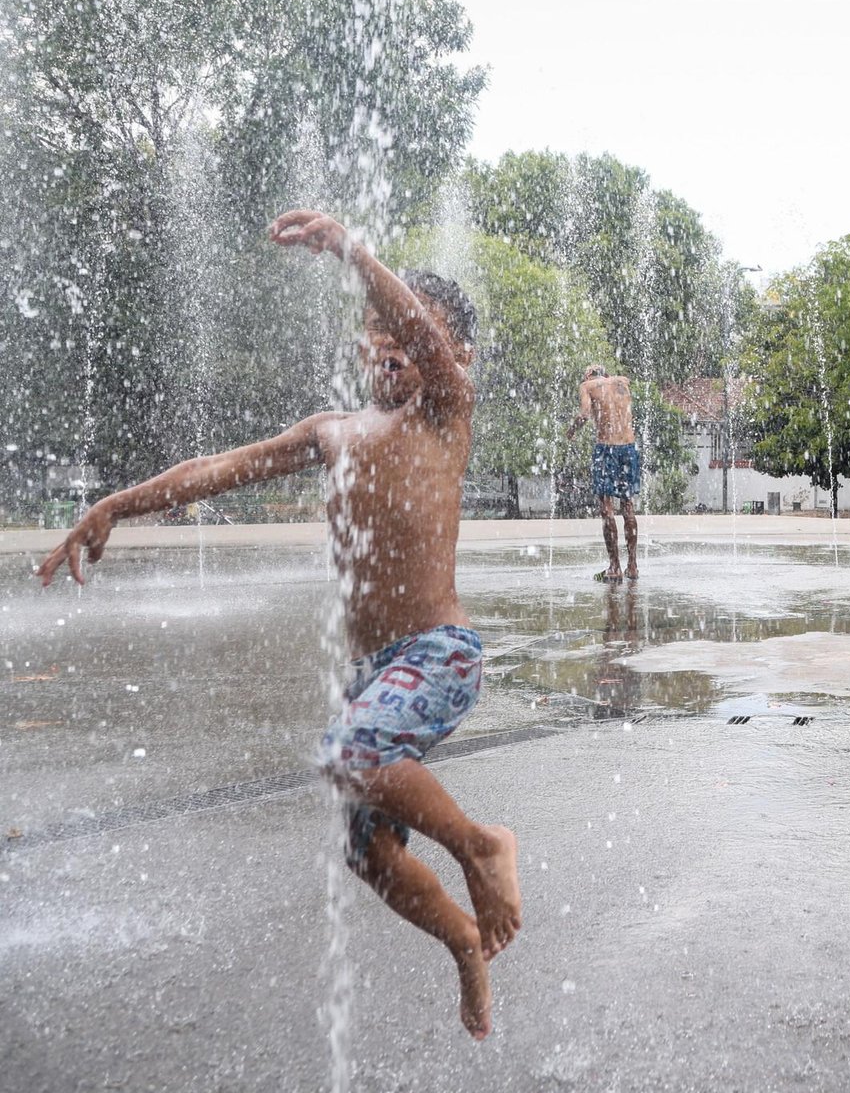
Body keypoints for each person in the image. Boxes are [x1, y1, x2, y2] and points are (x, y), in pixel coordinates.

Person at [34, 209, 521, 1040]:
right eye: (378, 334)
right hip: (374, 674)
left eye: (414, 334)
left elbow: (426, 342)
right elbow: (216, 470)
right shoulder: (332, 433)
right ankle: (465, 944)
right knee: (366, 853)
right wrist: (116, 503)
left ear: (453, 354)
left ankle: (480, 847)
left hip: (437, 654)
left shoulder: (446, 412)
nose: (395, 346)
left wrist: (355, 253)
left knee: (349, 753)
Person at [567, 365, 640, 581]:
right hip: (628, 447)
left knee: (606, 508)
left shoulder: (587, 386)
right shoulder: (622, 382)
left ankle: (614, 566)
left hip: (606, 449)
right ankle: (633, 565)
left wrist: (571, 430)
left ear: (589, 376)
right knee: (627, 506)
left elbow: (585, 413)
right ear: (606, 375)